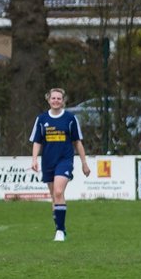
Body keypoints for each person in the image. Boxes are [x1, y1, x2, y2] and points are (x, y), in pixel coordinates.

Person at [29, 88, 90, 242]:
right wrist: (34, 159)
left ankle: (60, 231)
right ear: (48, 100)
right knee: (55, 196)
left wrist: (84, 163)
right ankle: (59, 228)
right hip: (48, 161)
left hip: (65, 160)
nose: (56, 101)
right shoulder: (41, 119)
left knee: (58, 191)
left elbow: (77, 142)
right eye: (53, 98)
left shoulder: (70, 119)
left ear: (63, 101)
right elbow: (37, 141)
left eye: (59, 98)